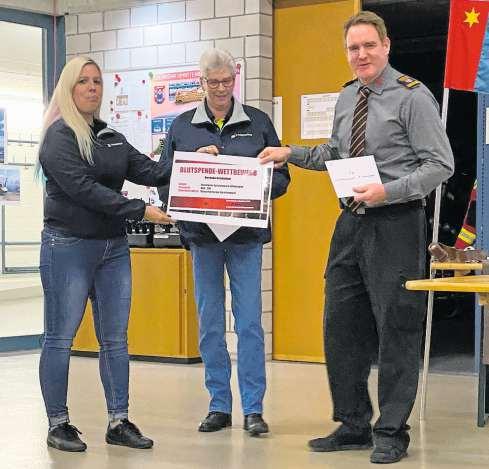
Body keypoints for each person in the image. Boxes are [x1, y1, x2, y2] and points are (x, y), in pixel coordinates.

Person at [259, 11, 454, 464]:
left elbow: (439, 164)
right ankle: (352, 424)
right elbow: (335, 152)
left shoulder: (412, 97)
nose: (361, 55)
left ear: (386, 46)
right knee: (341, 324)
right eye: (353, 48)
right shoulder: (348, 97)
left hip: (397, 222)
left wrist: (388, 191)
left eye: (368, 45)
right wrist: (290, 152)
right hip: (350, 222)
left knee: (397, 326)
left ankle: (392, 431)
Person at [37, 56, 172, 452]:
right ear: (68, 88)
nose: (92, 87)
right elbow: (84, 190)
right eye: (83, 81)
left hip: (113, 248)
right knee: (60, 337)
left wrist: (195, 160)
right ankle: (58, 423)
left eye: (97, 81)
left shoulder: (110, 136)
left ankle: (119, 421)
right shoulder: (59, 137)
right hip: (68, 246)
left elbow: (150, 171)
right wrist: (139, 210)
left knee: (115, 339)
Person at [158, 48, 290, 435]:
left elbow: (283, 179)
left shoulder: (259, 122)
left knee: (249, 324)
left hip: (246, 238)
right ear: (201, 82)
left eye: (226, 81)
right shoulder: (182, 127)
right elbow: (164, 181)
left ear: (236, 80)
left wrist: (254, 186)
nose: (220, 89)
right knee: (210, 325)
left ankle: (253, 409)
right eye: (212, 82)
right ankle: (218, 405)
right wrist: (195, 167)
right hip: (203, 239)